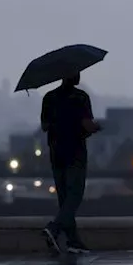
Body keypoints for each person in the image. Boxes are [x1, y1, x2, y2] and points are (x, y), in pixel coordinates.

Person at [40, 71, 101, 254]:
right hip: (75, 152)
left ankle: (73, 241)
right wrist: (96, 128)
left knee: (64, 197)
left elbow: (44, 126)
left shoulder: (49, 97)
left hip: (56, 151)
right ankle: (54, 228)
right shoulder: (80, 97)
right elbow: (87, 125)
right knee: (75, 194)